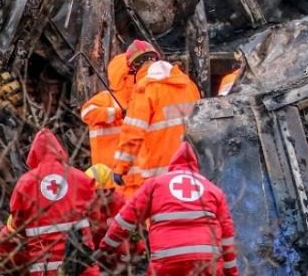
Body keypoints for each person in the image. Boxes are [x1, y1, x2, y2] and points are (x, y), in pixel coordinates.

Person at [99, 141, 238, 276]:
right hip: (207, 262)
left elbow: (126, 219)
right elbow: (227, 236)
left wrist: (106, 247)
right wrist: (231, 272)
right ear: (196, 166)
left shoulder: (154, 184)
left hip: (166, 260)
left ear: (172, 164)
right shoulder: (213, 190)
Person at [0, 129, 99, 275]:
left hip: (45, 268)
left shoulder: (26, 183)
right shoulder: (81, 178)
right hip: (81, 264)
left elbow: (18, 225)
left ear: (34, 153)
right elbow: (96, 218)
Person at [112, 40, 201, 196]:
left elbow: (133, 133)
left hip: (160, 174)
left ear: (133, 68)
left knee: (162, 217)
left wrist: (120, 167)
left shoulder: (145, 89)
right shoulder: (188, 85)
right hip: (192, 167)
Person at [81, 53, 134, 171]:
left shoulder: (139, 100)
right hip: (107, 172)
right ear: (124, 76)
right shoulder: (106, 98)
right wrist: (117, 113)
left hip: (131, 173)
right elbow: (87, 114)